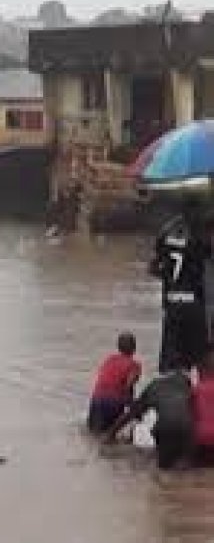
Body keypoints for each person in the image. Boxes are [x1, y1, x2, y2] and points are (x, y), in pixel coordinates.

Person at [150, 200, 212, 372]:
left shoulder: (165, 231)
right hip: (193, 303)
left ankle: (174, 393)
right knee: (202, 359)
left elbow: (153, 268)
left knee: (171, 361)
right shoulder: (201, 235)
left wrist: (168, 277)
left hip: (171, 304)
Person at [104, 360, 194, 470]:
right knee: (185, 467)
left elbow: (131, 414)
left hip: (164, 428)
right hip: (187, 429)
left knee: (163, 469)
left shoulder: (154, 386)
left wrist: (111, 434)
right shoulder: (186, 384)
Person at [87, 332, 142, 434]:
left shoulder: (109, 359)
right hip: (114, 402)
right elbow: (128, 386)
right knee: (109, 435)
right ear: (134, 348)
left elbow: (104, 379)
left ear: (118, 347)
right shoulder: (134, 365)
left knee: (93, 434)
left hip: (97, 398)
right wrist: (134, 409)